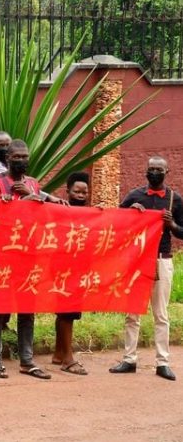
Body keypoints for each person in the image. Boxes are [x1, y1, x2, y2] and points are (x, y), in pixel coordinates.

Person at [109, 156, 182, 381]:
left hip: (162, 260)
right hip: (137, 260)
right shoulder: (134, 196)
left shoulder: (175, 200)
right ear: (146, 171)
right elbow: (117, 223)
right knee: (132, 313)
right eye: (151, 169)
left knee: (160, 314)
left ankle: (163, 362)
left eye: (159, 169)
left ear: (166, 172)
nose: (154, 172)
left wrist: (172, 225)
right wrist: (131, 211)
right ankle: (129, 359)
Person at [0, 139, 51, 380]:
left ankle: (26, 360)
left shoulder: (33, 183)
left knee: (27, 309)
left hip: (28, 256)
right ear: (8, 158)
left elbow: (40, 217)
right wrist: (23, 200)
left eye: (25, 156)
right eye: (17, 157)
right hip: (3, 255)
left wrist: (35, 196)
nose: (22, 160)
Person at [52, 172, 92, 375]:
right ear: (67, 191)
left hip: (79, 269)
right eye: (76, 191)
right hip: (63, 269)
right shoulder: (60, 211)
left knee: (66, 313)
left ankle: (59, 353)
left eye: (84, 191)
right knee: (67, 312)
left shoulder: (91, 214)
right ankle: (68, 359)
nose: (80, 195)